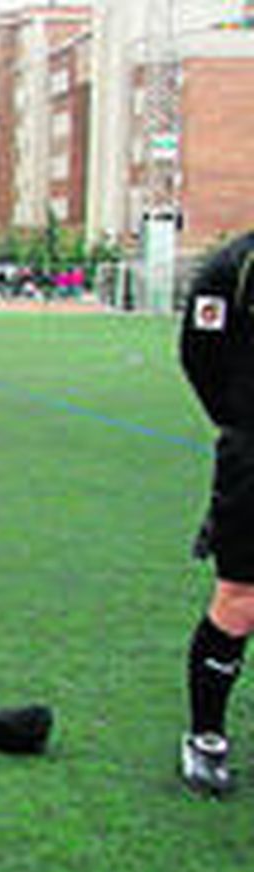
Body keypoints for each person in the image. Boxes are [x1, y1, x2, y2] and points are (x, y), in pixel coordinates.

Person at [178, 229, 254, 796]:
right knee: (241, 596)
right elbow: (199, 355)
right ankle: (206, 736)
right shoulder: (234, 267)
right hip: (253, 457)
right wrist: (240, 421)